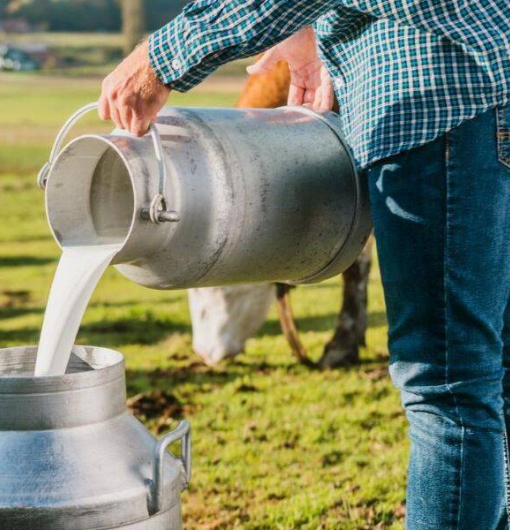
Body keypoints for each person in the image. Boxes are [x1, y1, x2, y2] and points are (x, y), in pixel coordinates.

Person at [98, 2, 510, 528]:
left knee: (447, 383)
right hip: (488, 78)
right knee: (492, 370)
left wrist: (159, 59)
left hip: (436, 91)